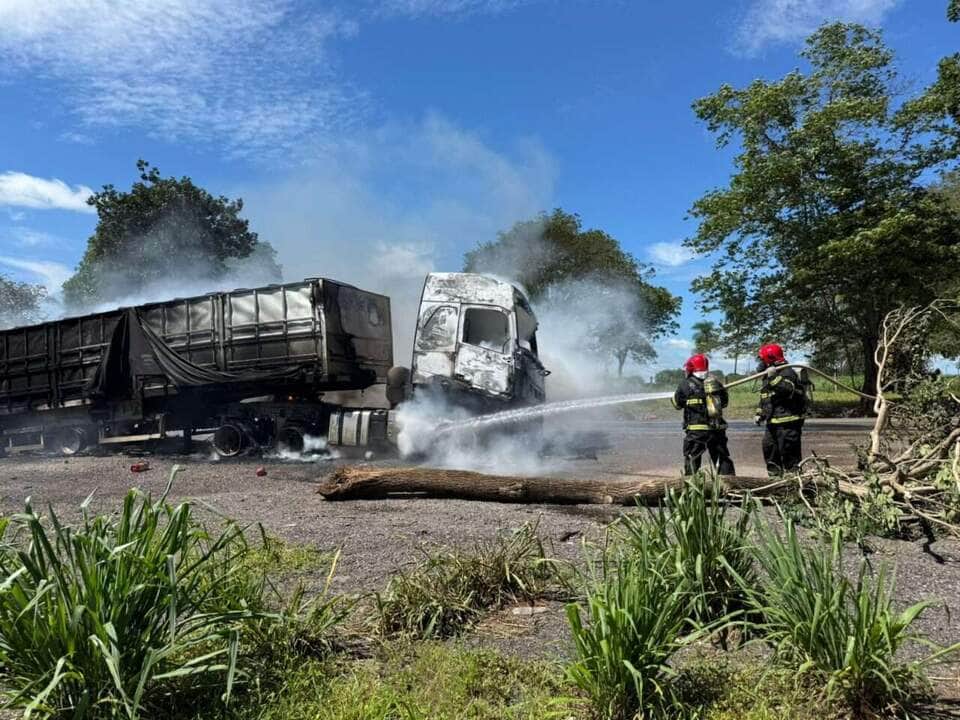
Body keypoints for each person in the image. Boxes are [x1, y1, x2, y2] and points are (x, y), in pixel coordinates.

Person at [672, 354, 735, 476]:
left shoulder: (685, 384)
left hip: (696, 430)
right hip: (716, 429)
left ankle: (692, 485)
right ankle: (729, 484)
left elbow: (677, 405)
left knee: (693, 458)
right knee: (722, 458)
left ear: (690, 368)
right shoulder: (715, 383)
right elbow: (724, 403)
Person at [754, 343, 806, 475]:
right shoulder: (768, 375)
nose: (760, 363)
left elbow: (787, 389)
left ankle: (794, 482)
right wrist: (760, 413)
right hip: (772, 423)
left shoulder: (787, 372)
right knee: (770, 451)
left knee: (790, 456)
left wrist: (773, 378)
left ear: (770, 359)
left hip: (788, 423)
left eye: (762, 359)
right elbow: (765, 397)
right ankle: (775, 481)